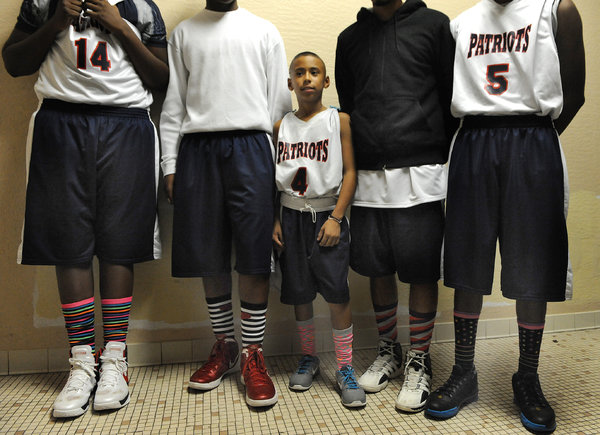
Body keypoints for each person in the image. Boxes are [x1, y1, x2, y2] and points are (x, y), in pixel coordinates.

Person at [2, 0, 168, 419]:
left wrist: (121, 27)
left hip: (126, 122)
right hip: (61, 120)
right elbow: (14, 63)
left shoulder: (140, 8)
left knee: (120, 242)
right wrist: (57, 21)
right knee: (68, 242)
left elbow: (162, 79)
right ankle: (81, 361)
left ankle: (114, 358)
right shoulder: (45, 2)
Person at [424, 0, 585, 432]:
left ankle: (527, 376)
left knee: (534, 263)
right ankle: (464, 371)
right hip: (474, 139)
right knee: (466, 260)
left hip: (533, 138)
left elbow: (576, 93)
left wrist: (532, 141)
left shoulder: (557, 9)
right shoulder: (460, 25)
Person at [159, 0, 291, 408]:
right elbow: (174, 103)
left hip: (252, 147)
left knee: (255, 253)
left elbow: (279, 107)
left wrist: (280, 168)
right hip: (198, 149)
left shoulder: (263, 31)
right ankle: (225, 345)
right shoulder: (184, 33)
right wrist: (170, 164)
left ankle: (253, 352)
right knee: (208, 252)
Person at [335, 0, 456, 412]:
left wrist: (433, 147)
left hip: (420, 173)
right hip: (368, 174)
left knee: (421, 271)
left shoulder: (435, 26)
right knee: (377, 267)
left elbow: (450, 96)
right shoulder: (350, 39)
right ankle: (389, 349)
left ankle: (420, 358)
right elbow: (349, 103)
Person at [272, 52, 364, 408]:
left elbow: (351, 172)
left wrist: (337, 218)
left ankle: (345, 367)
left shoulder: (338, 120)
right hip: (290, 218)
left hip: (327, 217)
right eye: (299, 73)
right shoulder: (281, 126)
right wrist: (276, 219)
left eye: (314, 72)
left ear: (326, 81)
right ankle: (309, 357)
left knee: (337, 294)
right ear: (290, 83)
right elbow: (274, 180)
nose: (307, 78)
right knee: (300, 293)